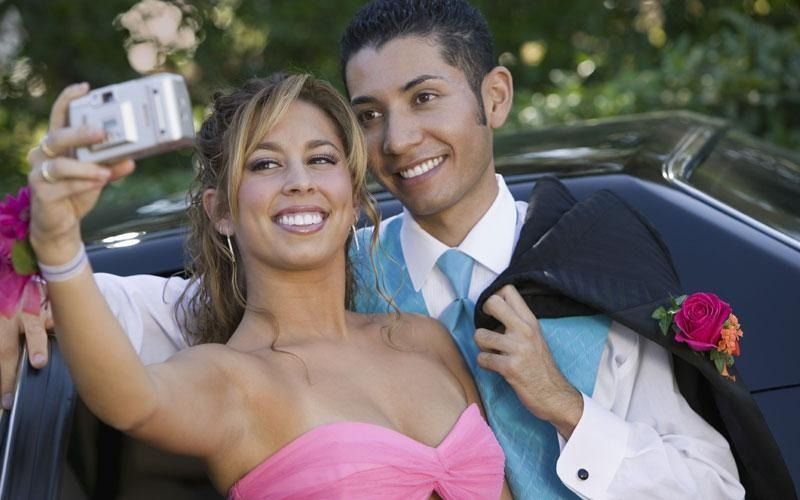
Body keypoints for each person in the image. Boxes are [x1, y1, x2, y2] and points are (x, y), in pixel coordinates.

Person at [4, 0, 778, 498]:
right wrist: (33, 277)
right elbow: (144, 313)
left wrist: (567, 408)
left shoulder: (595, 265)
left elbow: (714, 486)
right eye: (370, 115)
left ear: (495, 97)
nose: (400, 140)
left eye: (426, 98)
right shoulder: (333, 266)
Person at [25, 73, 511, 499]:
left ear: (353, 192)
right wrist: (59, 247)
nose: (300, 181)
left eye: (321, 158)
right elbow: (132, 401)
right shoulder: (230, 379)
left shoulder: (424, 340)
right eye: (265, 164)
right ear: (221, 212)